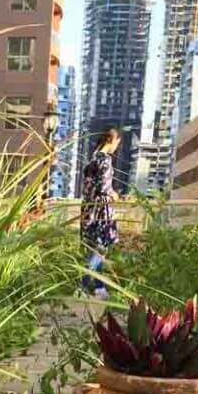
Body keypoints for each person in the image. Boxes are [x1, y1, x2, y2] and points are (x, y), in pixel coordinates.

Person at [80, 127, 121, 299]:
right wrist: (114, 194)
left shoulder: (92, 158)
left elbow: (89, 186)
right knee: (100, 249)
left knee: (94, 249)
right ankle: (82, 286)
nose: (117, 147)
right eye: (117, 142)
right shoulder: (105, 160)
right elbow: (104, 188)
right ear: (112, 140)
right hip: (101, 210)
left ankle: (99, 289)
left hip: (89, 209)